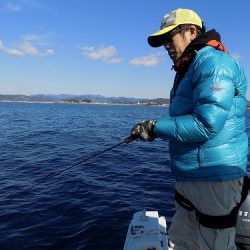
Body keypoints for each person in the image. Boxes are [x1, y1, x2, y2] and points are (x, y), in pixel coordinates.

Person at [130, 8, 248, 249]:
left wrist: (154, 128)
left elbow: (206, 124)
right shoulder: (190, 66)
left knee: (215, 244)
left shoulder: (215, 63)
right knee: (181, 241)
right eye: (162, 40)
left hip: (215, 178)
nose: (165, 45)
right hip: (190, 175)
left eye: (169, 37)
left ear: (191, 32)